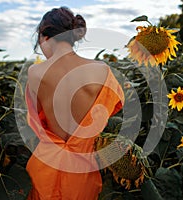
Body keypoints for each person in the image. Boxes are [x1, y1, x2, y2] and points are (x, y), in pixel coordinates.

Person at [25, 7, 124, 200]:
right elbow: (113, 106)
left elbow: (36, 115)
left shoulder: (34, 72)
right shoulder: (101, 70)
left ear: (45, 37)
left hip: (45, 165)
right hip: (82, 169)